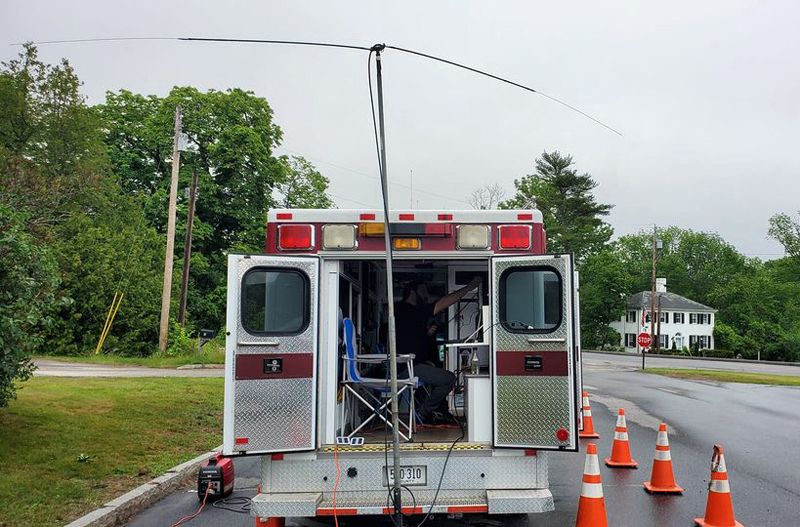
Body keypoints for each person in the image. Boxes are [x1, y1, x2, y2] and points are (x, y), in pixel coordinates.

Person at [394, 277, 481, 424]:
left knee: (435, 368)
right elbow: (442, 303)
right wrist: (469, 287)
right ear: (413, 292)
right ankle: (423, 411)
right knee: (449, 379)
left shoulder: (403, 311)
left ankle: (437, 411)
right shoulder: (411, 310)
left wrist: (426, 333)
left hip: (410, 365)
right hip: (407, 367)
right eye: (423, 290)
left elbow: (409, 334)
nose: (426, 294)